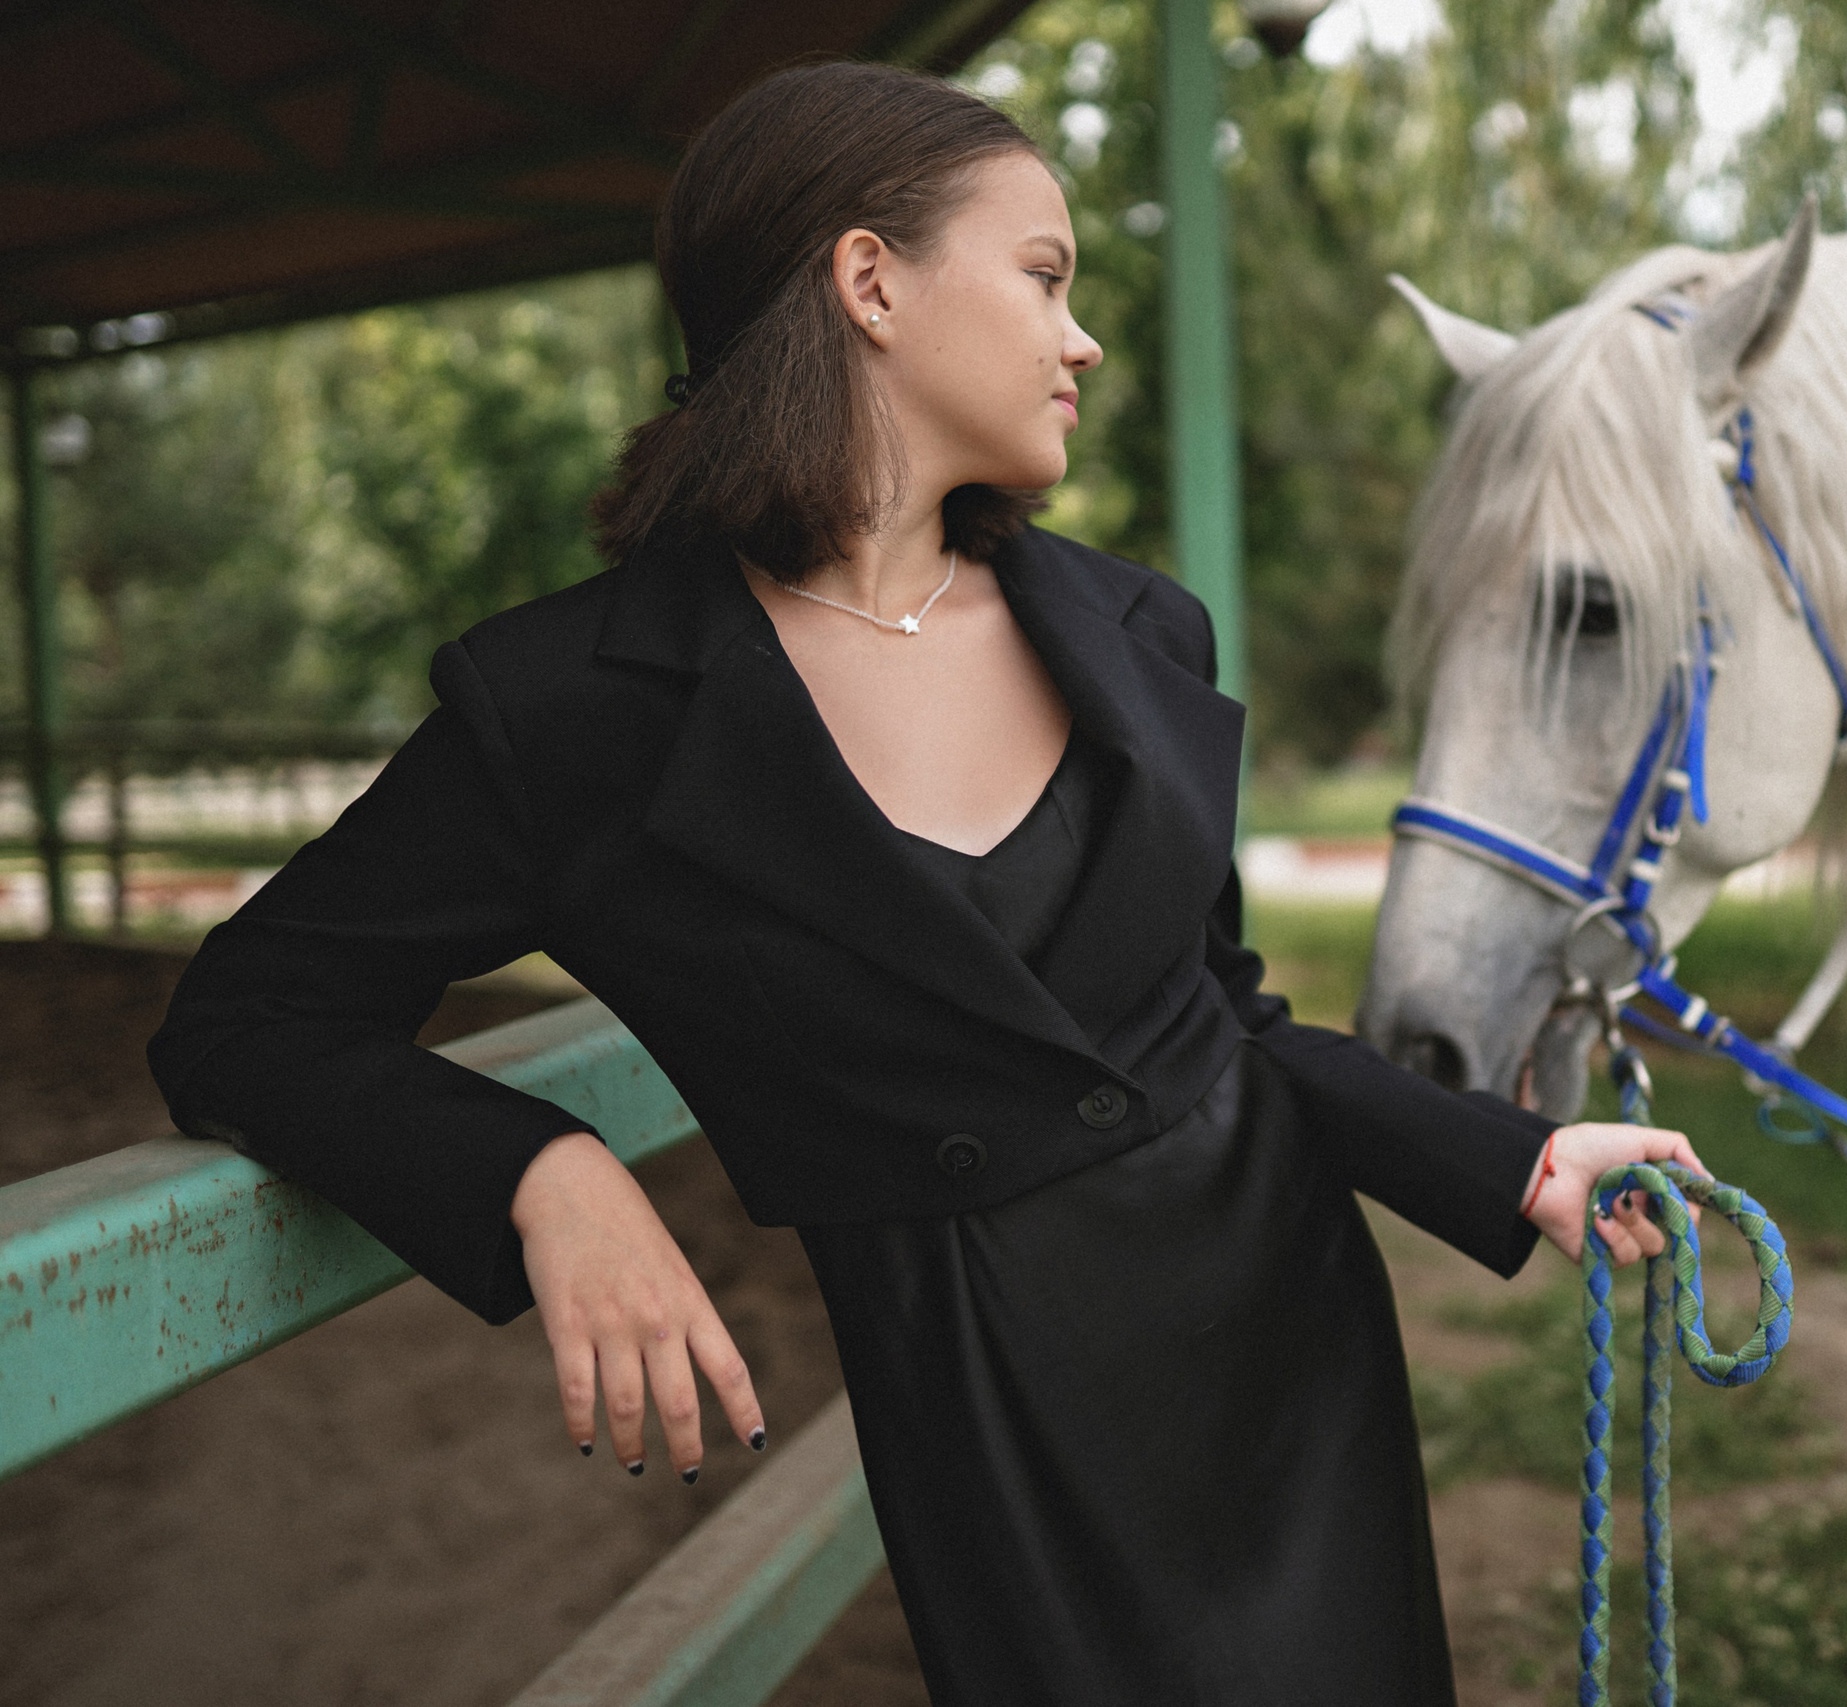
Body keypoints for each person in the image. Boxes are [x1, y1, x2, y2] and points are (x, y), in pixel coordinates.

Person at [147, 59, 1708, 1707]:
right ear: (869, 280)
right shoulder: (571, 712)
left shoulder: (1139, 632)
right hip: (998, 1424)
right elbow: (247, 1019)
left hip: (1285, 1356)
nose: (1081, 336)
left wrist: (1513, 1160)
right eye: (1044, 275)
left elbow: (1218, 1028)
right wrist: (544, 1174)